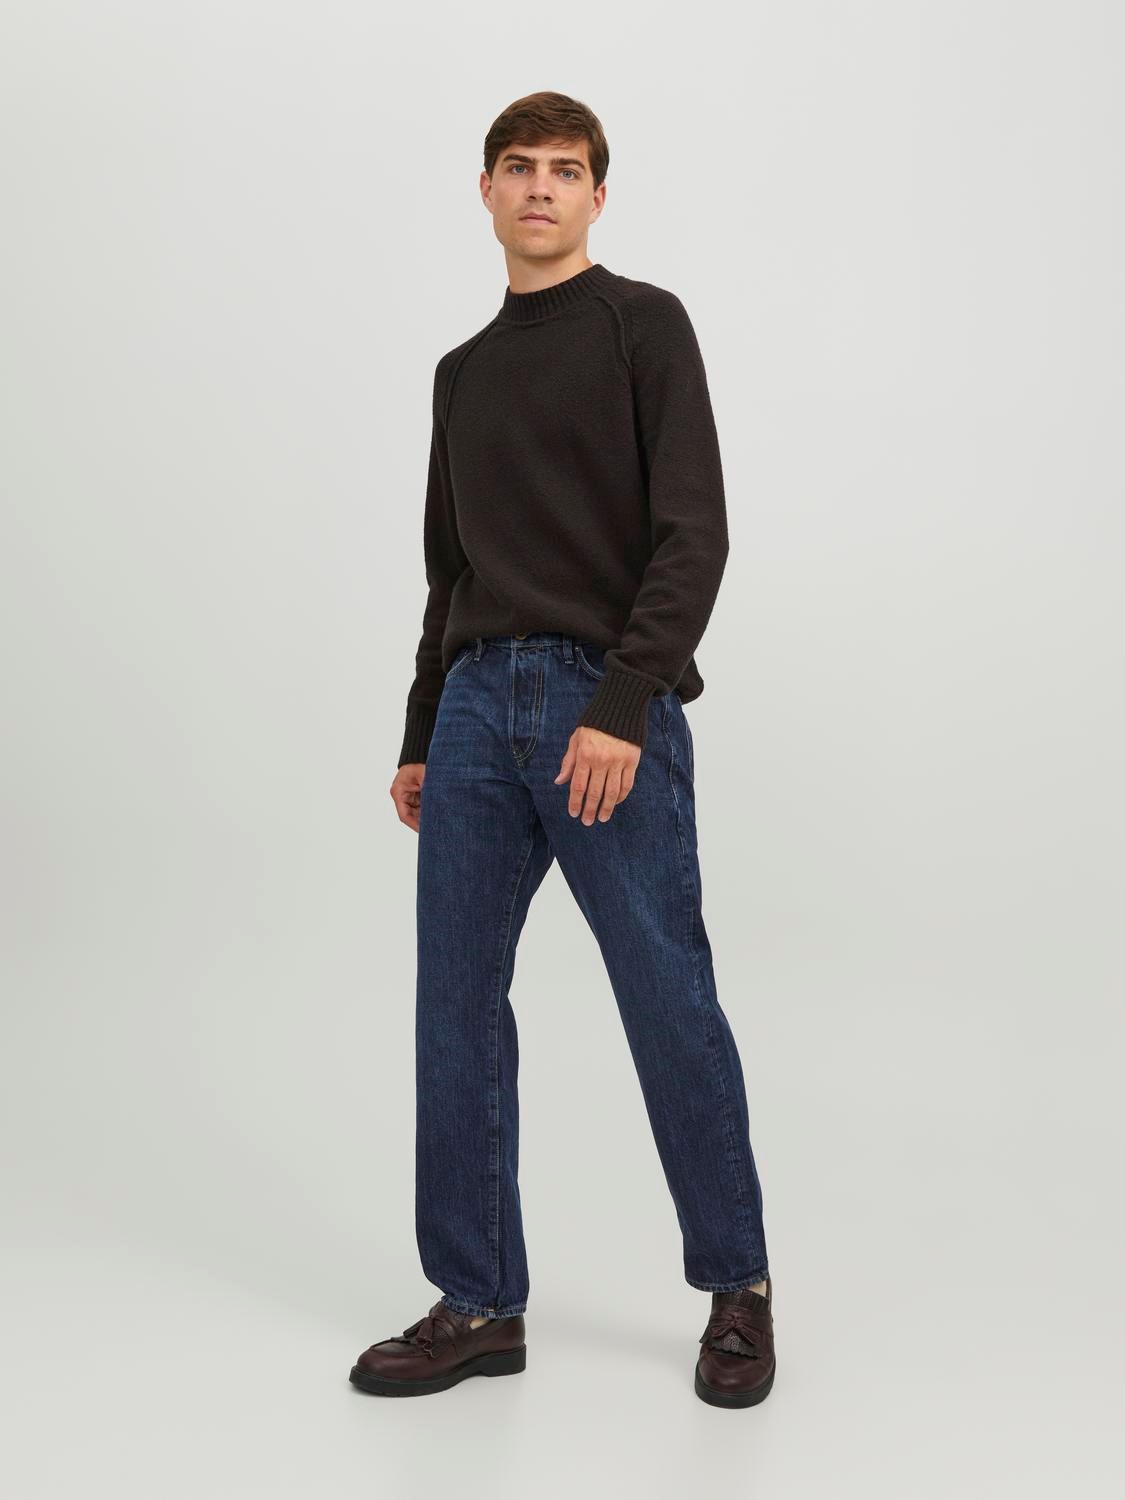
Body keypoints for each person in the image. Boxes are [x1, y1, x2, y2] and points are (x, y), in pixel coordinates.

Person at [349, 91, 774, 1409]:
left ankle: (738, 1288)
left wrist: (624, 701)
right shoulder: (462, 373)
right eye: (519, 167)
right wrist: (424, 733)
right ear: (485, 191)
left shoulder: (643, 325)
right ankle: (479, 1301)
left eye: (566, 169)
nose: (541, 186)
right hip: (476, 707)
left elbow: (692, 533)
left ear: (597, 195)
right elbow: (450, 568)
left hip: (603, 698)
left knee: (665, 994)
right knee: (457, 1005)